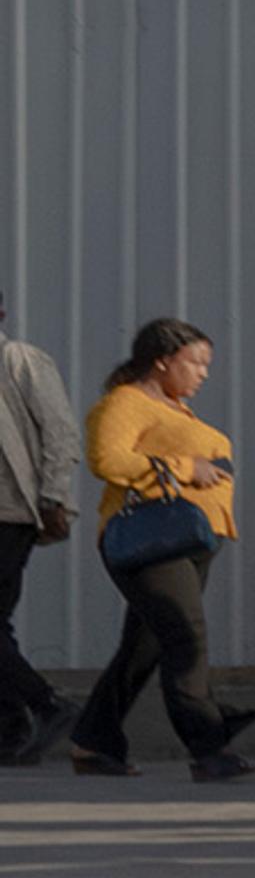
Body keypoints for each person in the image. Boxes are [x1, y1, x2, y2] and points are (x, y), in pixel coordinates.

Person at [70, 319, 255, 781]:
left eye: (206, 365)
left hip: (190, 542)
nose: (203, 373)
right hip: (151, 543)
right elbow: (106, 460)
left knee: (144, 648)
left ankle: (93, 741)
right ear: (162, 361)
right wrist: (184, 466)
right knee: (186, 640)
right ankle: (208, 746)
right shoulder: (124, 403)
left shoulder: (175, 409)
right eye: (195, 362)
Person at [0, 291, 82, 765]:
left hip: (9, 513)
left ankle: (48, 705)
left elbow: (61, 430)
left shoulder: (20, 360)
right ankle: (11, 729)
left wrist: (53, 494)